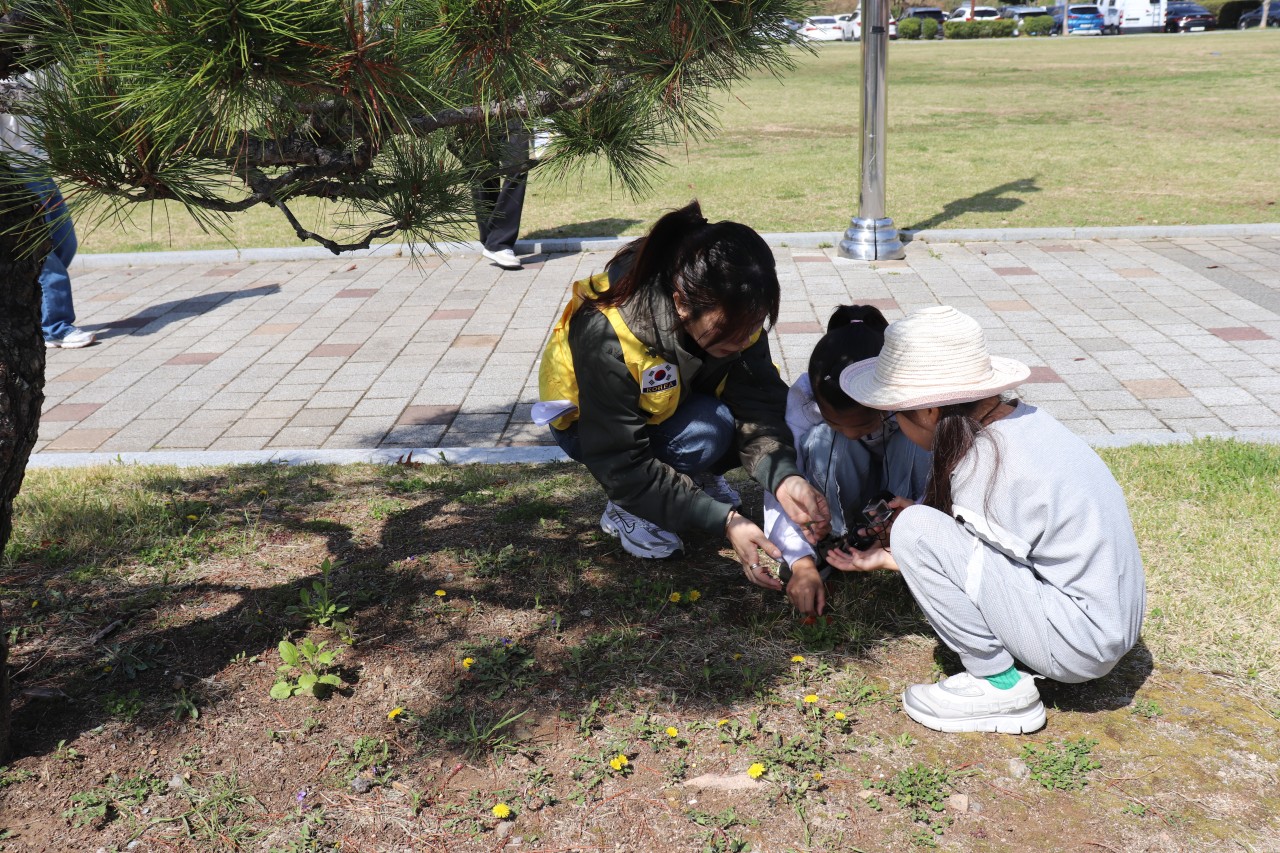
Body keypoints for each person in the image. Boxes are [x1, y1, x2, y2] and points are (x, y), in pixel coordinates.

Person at [834, 305, 1145, 734]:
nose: (896, 424)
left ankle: (1000, 688)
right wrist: (917, 547)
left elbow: (976, 566)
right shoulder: (1026, 423)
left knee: (913, 528)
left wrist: (911, 545)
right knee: (919, 526)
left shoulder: (988, 463)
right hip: (1108, 625)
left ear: (928, 412)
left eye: (896, 413)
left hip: (1081, 645)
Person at [537, 201, 830, 588]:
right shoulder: (607, 331)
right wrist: (725, 520)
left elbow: (759, 403)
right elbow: (619, 458)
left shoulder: (737, 313)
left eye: (754, 326)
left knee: (724, 425)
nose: (745, 340)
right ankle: (628, 508)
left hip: (670, 406)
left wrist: (783, 477)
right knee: (707, 431)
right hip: (588, 429)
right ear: (680, 303)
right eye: (729, 331)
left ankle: (684, 484)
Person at [762, 305, 931, 617]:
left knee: (919, 443)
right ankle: (835, 537)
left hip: (901, 499)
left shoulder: (912, 395)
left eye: (863, 424)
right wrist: (799, 560)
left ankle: (901, 537)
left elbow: (949, 472)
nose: (851, 433)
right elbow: (782, 478)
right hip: (846, 496)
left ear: (884, 398)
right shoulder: (805, 395)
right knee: (824, 440)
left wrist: (917, 518)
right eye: (836, 422)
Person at [1, 72, 95, 348]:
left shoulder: (41, 66)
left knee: (65, 243)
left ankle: (39, 315)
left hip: (39, 167)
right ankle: (55, 327)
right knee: (44, 255)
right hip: (13, 171)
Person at [472, 122, 529, 271]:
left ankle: (499, 242)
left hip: (515, 112)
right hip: (470, 112)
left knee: (519, 165)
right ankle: (491, 240)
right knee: (482, 168)